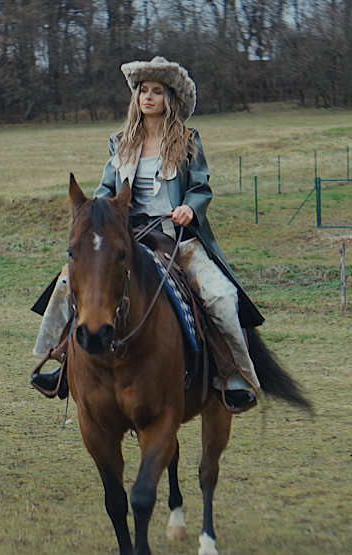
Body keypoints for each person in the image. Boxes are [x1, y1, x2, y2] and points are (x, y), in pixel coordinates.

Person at [31, 57, 264, 412]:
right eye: (144, 90)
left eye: (157, 91)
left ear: (169, 99)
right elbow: (106, 189)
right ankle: (60, 361)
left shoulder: (187, 142)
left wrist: (190, 206)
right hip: (127, 235)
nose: (149, 97)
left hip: (176, 237)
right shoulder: (120, 143)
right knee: (68, 281)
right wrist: (96, 213)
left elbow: (201, 188)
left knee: (219, 296)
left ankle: (232, 375)